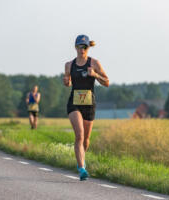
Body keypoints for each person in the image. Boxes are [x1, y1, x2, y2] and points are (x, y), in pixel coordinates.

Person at [63, 34, 109, 180]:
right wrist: (66, 82)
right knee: (79, 135)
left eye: (84, 47)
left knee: (86, 139)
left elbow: (107, 82)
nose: (81, 50)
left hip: (89, 104)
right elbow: (69, 82)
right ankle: (81, 168)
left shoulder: (94, 63)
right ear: (75, 47)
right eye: (79, 47)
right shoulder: (69, 65)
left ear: (88, 48)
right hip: (74, 103)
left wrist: (95, 74)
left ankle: (81, 159)